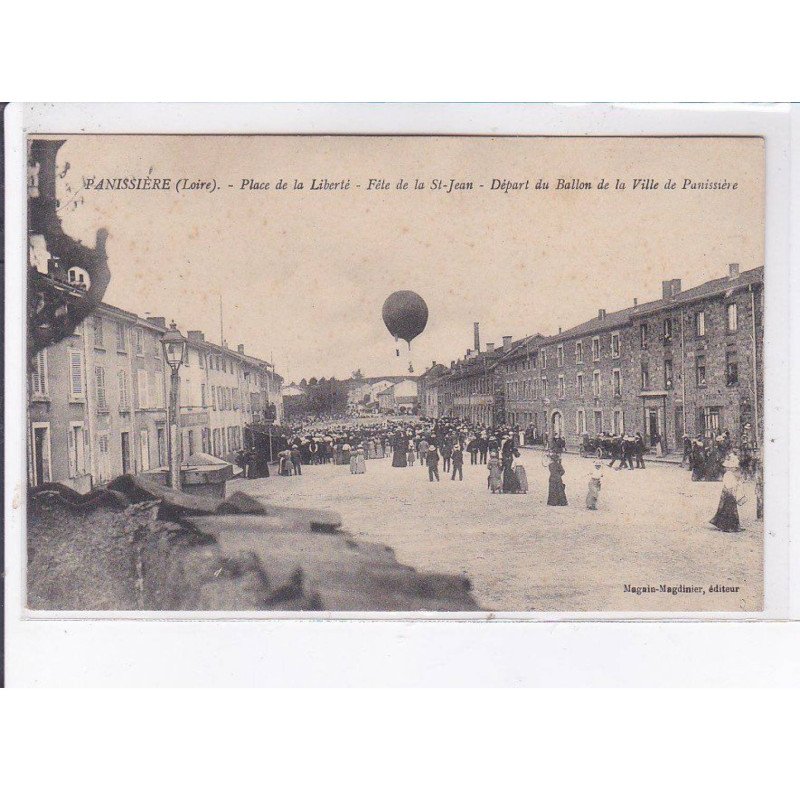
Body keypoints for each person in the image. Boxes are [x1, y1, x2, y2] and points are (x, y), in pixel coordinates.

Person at [710, 453, 742, 532]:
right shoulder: (728, 474)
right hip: (728, 493)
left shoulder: (731, 474)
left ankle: (732, 526)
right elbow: (728, 485)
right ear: (730, 468)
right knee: (728, 510)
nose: (735, 469)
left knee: (729, 509)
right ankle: (728, 526)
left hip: (729, 493)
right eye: (734, 467)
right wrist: (734, 488)